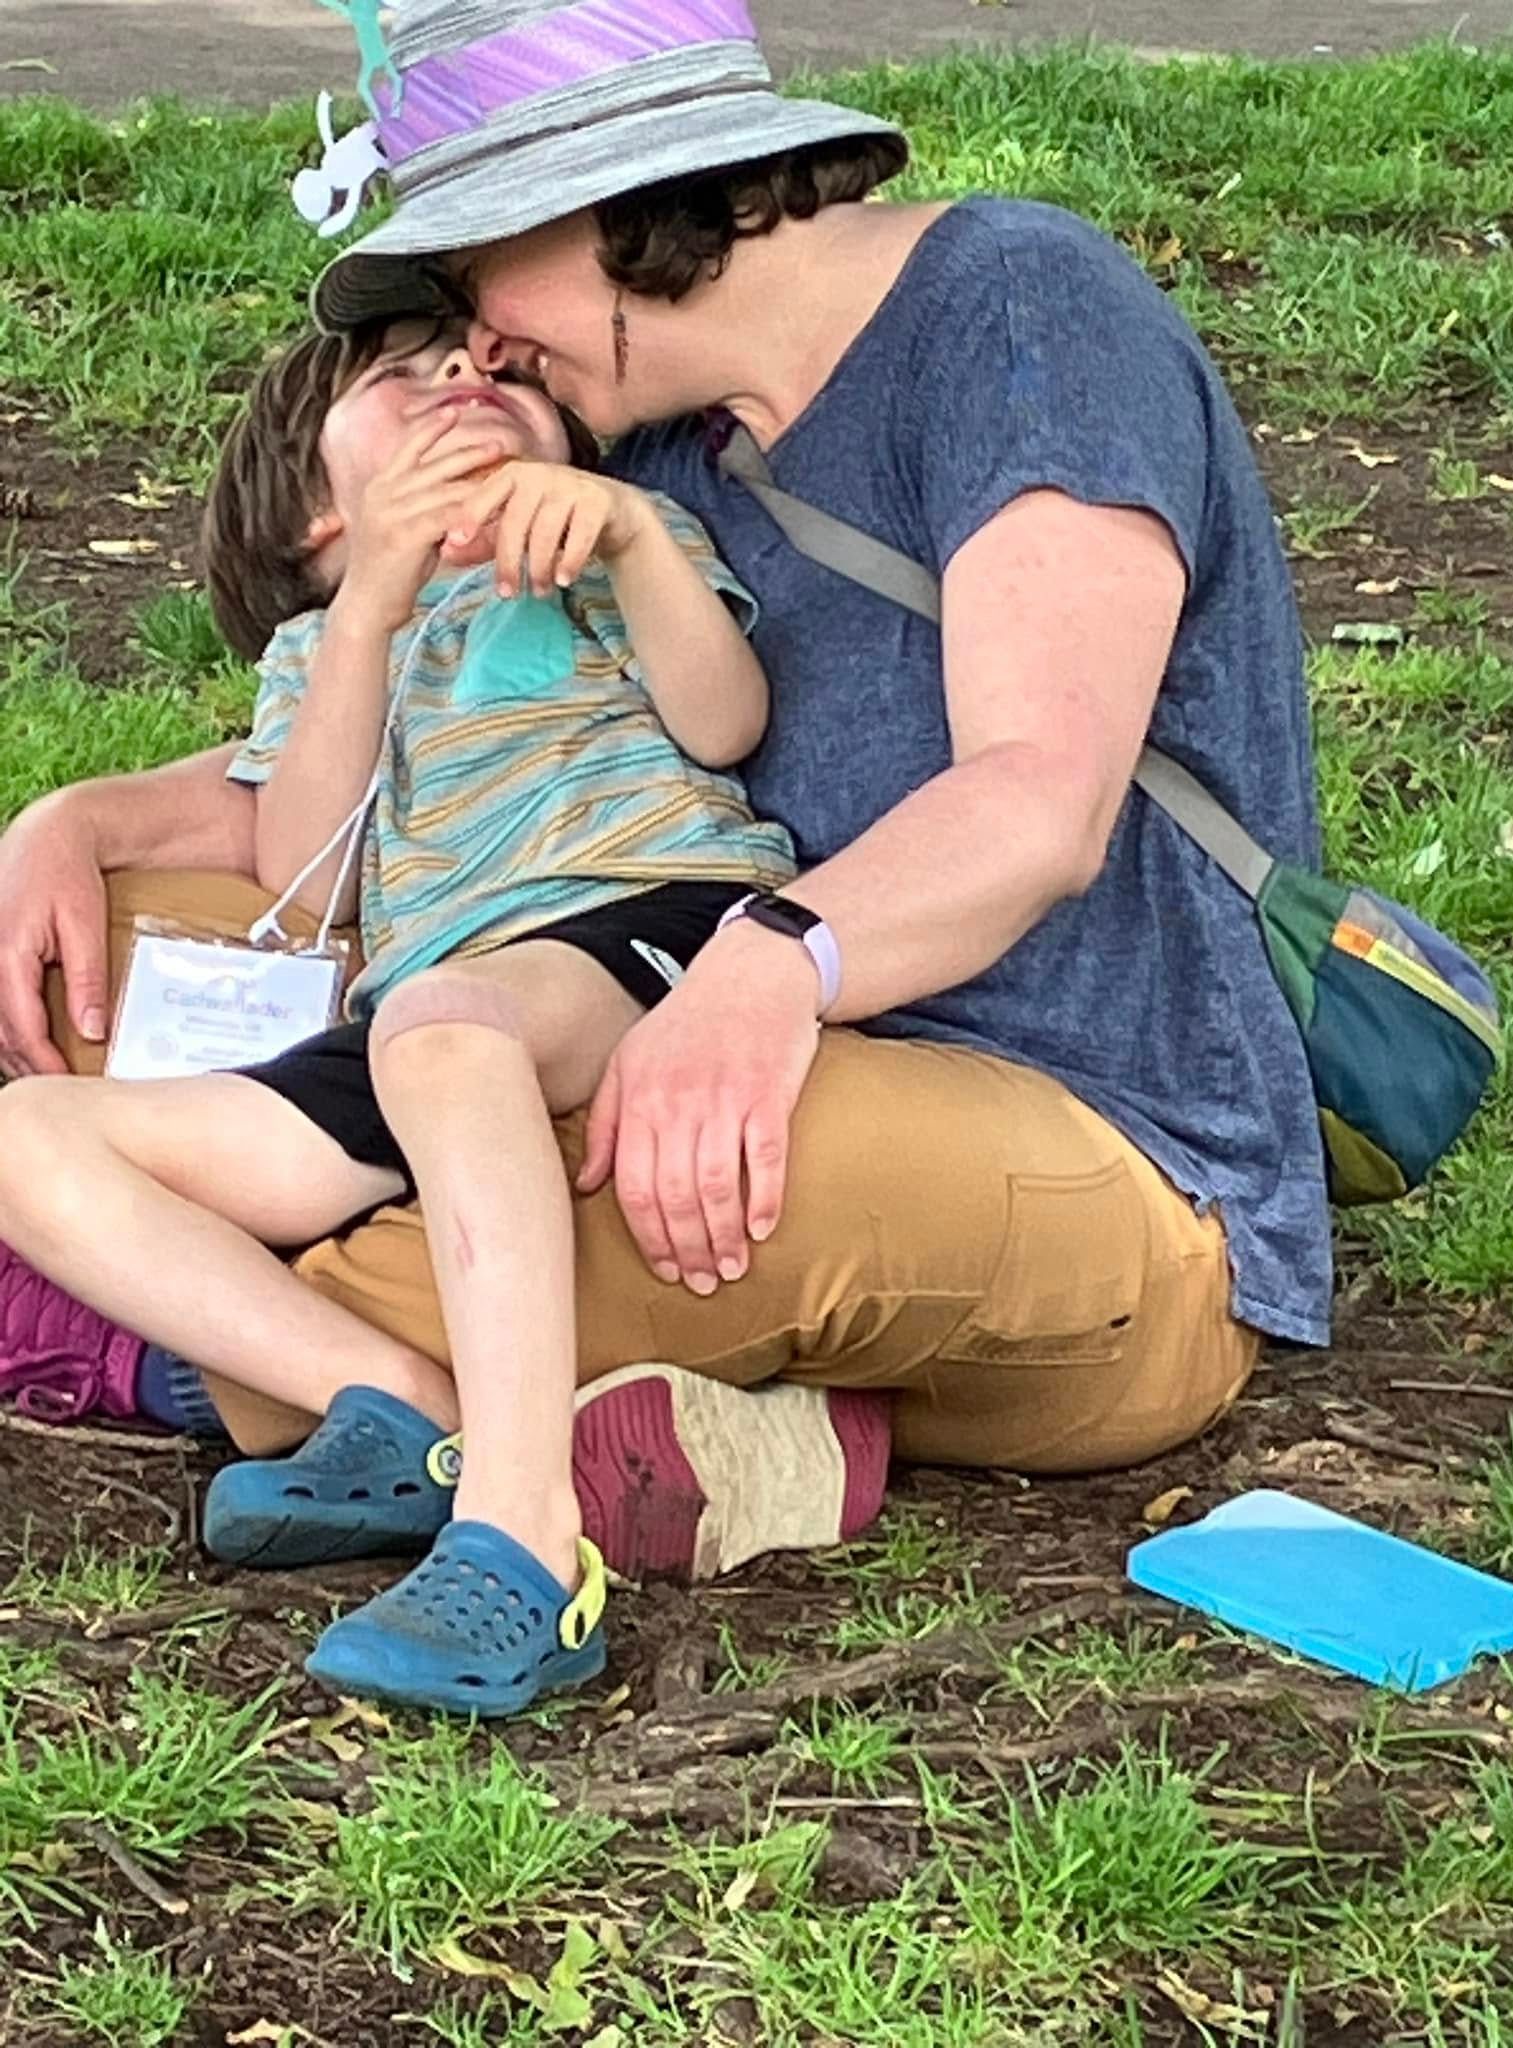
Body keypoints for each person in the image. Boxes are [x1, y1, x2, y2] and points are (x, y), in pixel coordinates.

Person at [0, 0, 1327, 1586]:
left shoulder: (1026, 314)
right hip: (686, 1003)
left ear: (609, 206)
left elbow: (1041, 802)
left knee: (567, 1218)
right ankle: (724, 1432)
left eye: (475, 278)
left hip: (1085, 1124)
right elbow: (419, 752)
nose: (480, 350)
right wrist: (73, 826)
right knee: (98, 972)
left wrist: (764, 966)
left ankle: (210, 1355)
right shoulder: (651, 437)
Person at [0, 309, 863, 1716]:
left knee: (444, 1025)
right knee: (32, 1136)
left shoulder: (606, 550)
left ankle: (526, 1539)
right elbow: (307, 863)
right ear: (318, 518)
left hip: (659, 918)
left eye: (492, 372)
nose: (464, 376)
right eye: (406, 381)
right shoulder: (322, 647)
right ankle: (409, 1405)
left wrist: (629, 539)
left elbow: (725, 724)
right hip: (431, 1012)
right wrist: (369, 615)